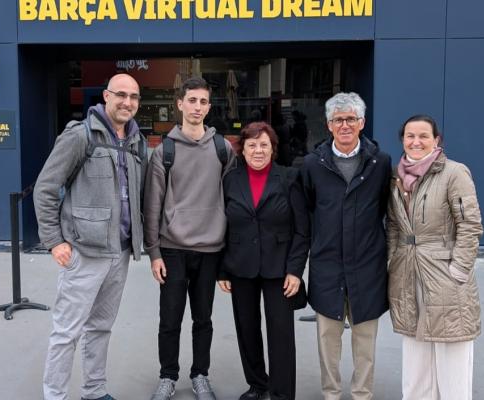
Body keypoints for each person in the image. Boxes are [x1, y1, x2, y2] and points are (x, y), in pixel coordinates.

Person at [33, 73, 147, 400]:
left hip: (120, 253)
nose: (128, 102)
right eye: (121, 95)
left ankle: (94, 391)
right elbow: (46, 188)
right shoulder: (80, 136)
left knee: (100, 328)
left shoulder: (137, 142)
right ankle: (55, 395)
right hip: (84, 252)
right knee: (66, 332)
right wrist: (54, 240)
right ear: (106, 97)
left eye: (134, 97)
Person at [143, 76, 236, 400]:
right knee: (169, 319)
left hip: (211, 249)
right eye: (192, 100)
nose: (197, 107)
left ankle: (200, 375)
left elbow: (231, 202)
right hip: (172, 249)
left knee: (203, 319)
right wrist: (153, 252)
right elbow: (152, 204)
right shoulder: (163, 151)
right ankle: (168, 376)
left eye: (203, 102)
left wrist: (228, 256)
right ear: (179, 104)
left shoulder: (223, 148)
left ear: (209, 107)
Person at [295, 92, 391, 400]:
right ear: (328, 124)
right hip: (328, 265)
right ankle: (331, 394)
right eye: (339, 120)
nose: (345, 125)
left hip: (367, 266)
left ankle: (362, 394)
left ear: (362, 122)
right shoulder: (312, 164)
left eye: (351, 119)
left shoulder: (381, 162)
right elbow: (308, 211)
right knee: (327, 340)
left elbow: (384, 210)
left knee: (365, 341)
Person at [386, 115, 483, 400]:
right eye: (410, 136)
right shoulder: (396, 176)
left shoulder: (454, 173)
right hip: (407, 273)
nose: (416, 142)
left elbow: (470, 224)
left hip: (445, 276)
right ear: (402, 140)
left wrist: (459, 270)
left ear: (436, 140)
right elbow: (393, 224)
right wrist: (393, 260)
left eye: (423, 136)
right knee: (416, 362)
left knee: (452, 355)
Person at [217, 121, 308, 400]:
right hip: (240, 266)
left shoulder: (290, 177)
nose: (258, 150)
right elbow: (221, 225)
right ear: (242, 150)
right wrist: (223, 269)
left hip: (279, 268)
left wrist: (295, 270)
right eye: (252, 145)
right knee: (246, 328)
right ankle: (258, 385)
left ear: (273, 149)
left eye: (264, 144)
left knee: (280, 333)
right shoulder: (231, 179)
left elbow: (302, 228)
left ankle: (282, 393)